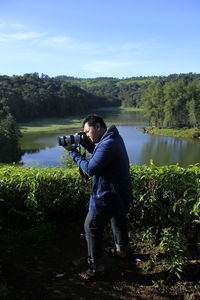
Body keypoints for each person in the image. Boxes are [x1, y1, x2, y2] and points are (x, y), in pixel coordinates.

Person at [63, 114, 132, 281]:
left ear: (98, 126)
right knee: (117, 218)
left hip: (107, 193)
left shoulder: (108, 143)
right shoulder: (113, 137)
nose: (86, 134)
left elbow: (91, 169)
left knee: (91, 227)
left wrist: (73, 152)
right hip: (119, 191)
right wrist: (86, 142)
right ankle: (121, 251)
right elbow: (100, 153)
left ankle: (96, 268)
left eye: (87, 131)